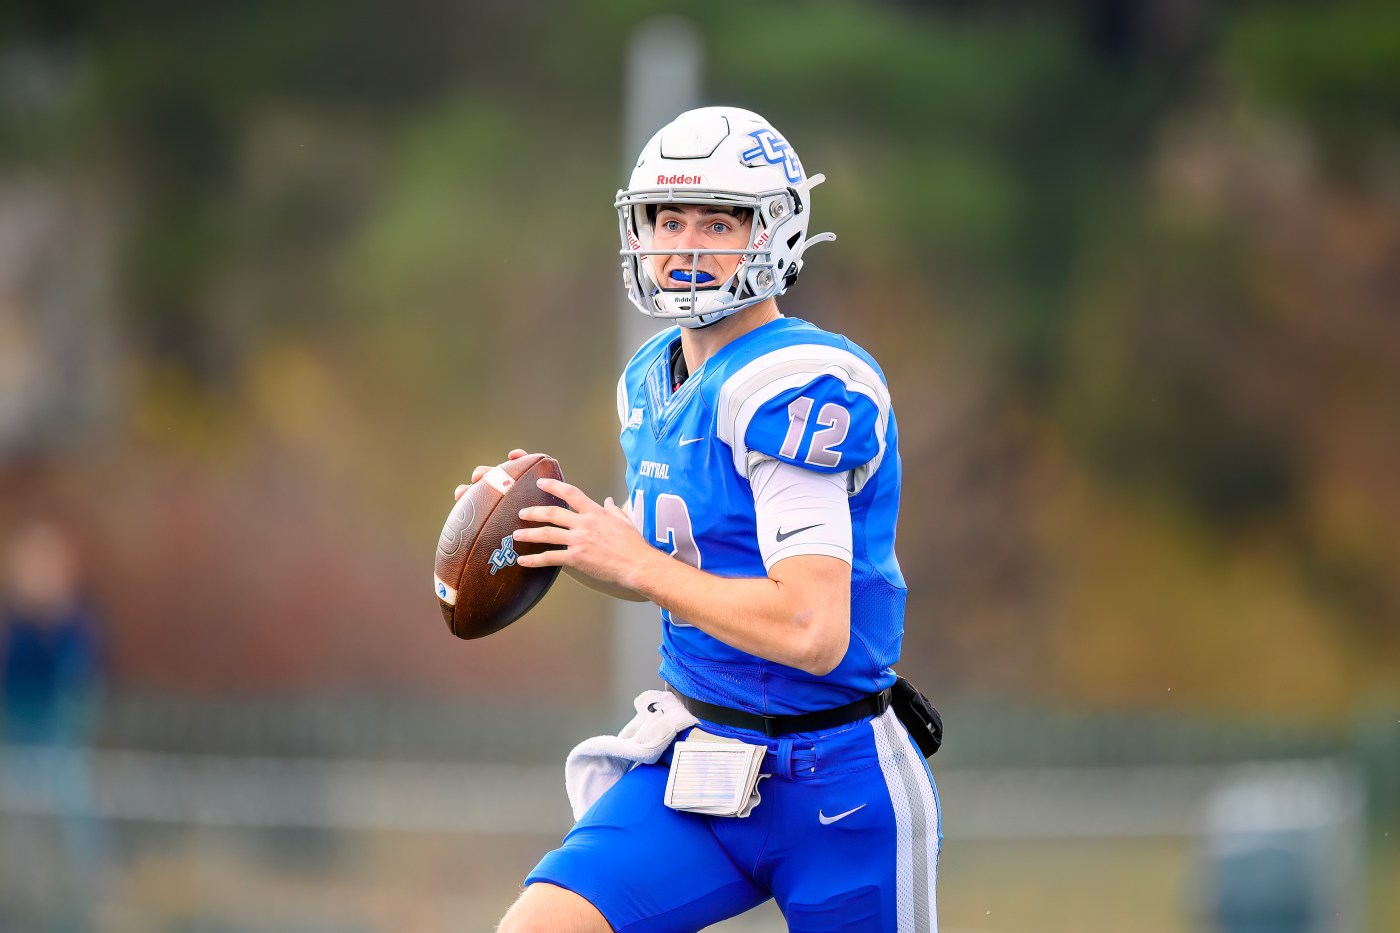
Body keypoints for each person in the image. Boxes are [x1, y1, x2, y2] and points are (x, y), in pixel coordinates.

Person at [468, 106, 940, 932]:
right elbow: (687, 572)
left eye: (718, 222)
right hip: (700, 759)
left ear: (775, 232)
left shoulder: (795, 382)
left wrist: (638, 563)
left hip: (833, 783)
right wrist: (567, 532)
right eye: (669, 220)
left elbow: (812, 628)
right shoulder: (650, 375)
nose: (686, 244)